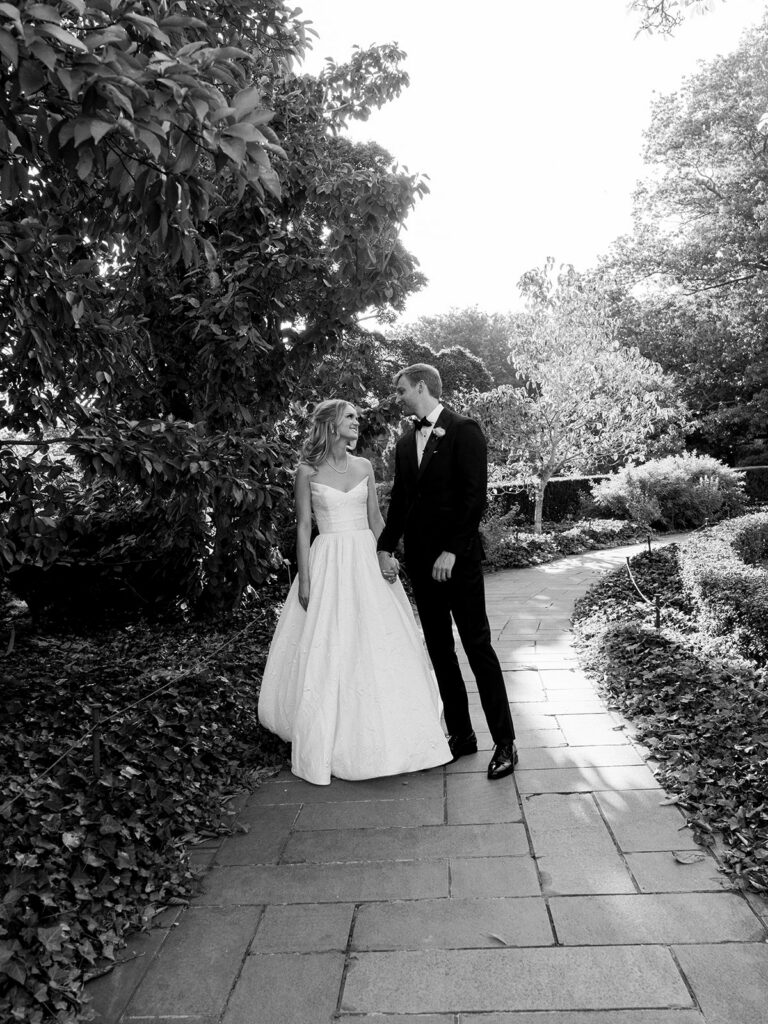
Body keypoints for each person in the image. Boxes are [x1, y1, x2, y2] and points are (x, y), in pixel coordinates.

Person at [258, 399, 451, 786]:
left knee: (378, 640)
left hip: (365, 558)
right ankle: (333, 732)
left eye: (357, 418)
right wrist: (306, 579)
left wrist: (387, 554)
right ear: (330, 424)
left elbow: (377, 518)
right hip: (328, 560)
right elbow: (302, 528)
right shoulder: (306, 471)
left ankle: (397, 732)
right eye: (350, 417)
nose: (356, 423)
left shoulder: (364, 466)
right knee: (332, 645)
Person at [377, 364, 518, 780]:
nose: (399, 397)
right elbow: (401, 500)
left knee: (477, 647)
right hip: (421, 564)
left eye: (402, 390)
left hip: (458, 562)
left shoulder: (464, 429)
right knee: (439, 649)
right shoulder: (405, 444)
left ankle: (505, 743)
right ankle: (461, 736)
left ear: (422, 387)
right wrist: (384, 546)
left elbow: (475, 498)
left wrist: (453, 552)